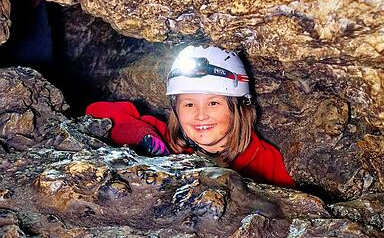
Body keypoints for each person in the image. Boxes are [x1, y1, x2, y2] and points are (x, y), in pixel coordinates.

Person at [86, 44, 295, 188]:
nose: (200, 115)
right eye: (189, 104)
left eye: (213, 103)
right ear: (176, 109)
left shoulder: (266, 163)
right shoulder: (169, 142)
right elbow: (97, 111)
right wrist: (144, 138)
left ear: (238, 108)